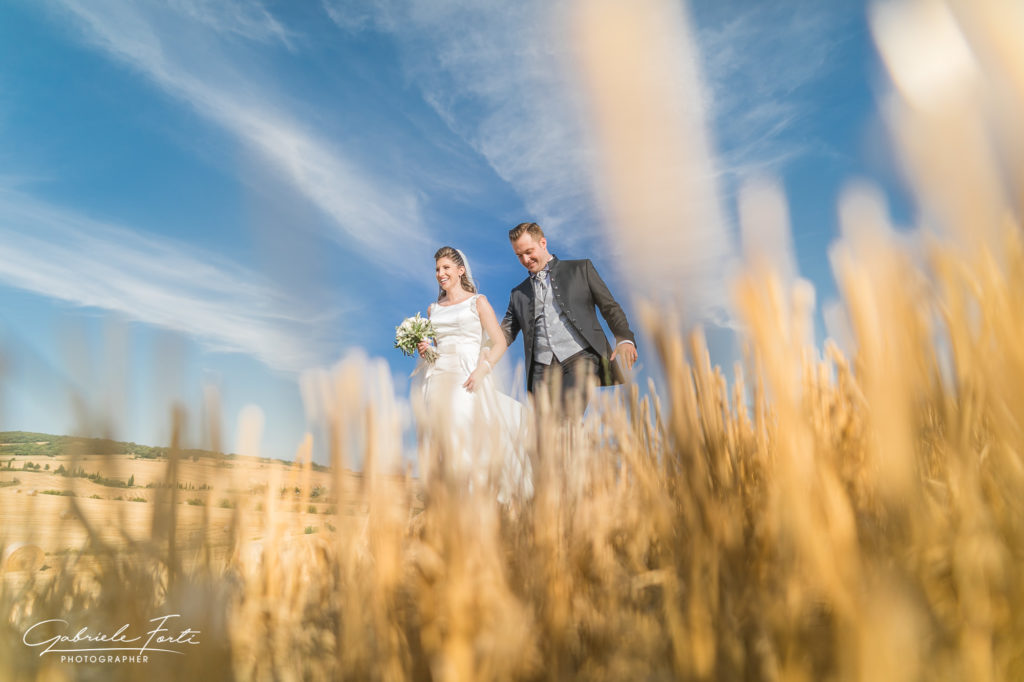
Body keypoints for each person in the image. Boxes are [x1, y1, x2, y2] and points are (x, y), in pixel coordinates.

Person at [416, 246, 532, 501]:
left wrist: (485, 368)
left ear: (460, 270)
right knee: (440, 437)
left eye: (446, 267)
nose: (440, 273)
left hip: (468, 372)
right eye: (437, 269)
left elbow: (499, 342)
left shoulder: (478, 302)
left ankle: (476, 499)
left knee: (465, 432)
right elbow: (436, 346)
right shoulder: (433, 309)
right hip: (438, 375)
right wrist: (426, 349)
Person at [501, 222, 638, 416]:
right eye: (519, 255)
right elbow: (505, 332)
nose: (525, 259)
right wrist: (480, 348)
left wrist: (624, 338)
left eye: (529, 251)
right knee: (544, 433)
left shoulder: (581, 269)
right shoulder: (518, 293)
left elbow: (609, 307)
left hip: (580, 358)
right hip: (542, 369)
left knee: (568, 417)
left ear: (543, 242)